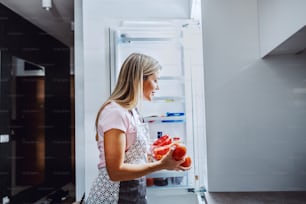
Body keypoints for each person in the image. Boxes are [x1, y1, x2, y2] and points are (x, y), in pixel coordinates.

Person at [86, 53, 190, 204]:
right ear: (139, 80)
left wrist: (162, 154)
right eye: (155, 80)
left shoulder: (132, 111)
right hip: (115, 195)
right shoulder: (115, 112)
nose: (158, 86)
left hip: (133, 190)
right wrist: (161, 165)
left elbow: (134, 157)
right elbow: (115, 172)